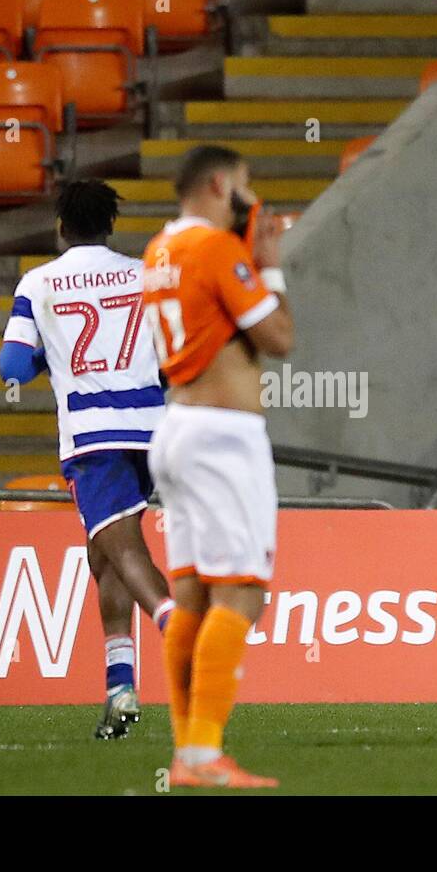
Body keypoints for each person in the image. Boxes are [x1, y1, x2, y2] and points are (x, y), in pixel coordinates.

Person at [0, 180, 175, 738]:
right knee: (102, 555)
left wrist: (50, 357)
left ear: (60, 227)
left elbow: (12, 365)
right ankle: (120, 691)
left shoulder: (39, 282)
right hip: (152, 430)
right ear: (110, 226)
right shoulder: (144, 274)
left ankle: (180, 625)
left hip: (92, 436)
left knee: (123, 550)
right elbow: (174, 354)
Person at [143, 146, 294, 788]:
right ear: (217, 183)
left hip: (176, 425)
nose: (248, 196)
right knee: (241, 590)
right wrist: (269, 267)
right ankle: (203, 756)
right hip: (223, 437)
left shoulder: (158, 250)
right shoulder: (213, 250)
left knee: (192, 594)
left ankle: (187, 754)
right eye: (243, 183)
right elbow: (280, 339)